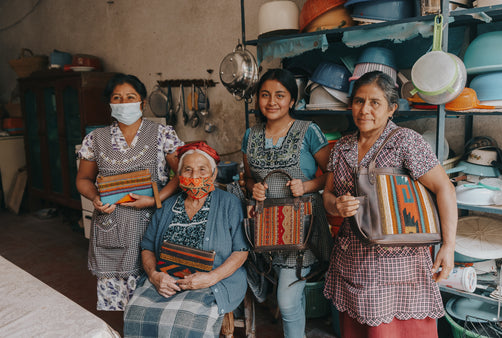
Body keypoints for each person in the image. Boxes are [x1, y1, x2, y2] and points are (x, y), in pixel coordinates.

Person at [322, 71, 457, 338]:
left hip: (398, 266)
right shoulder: (342, 147)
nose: (365, 110)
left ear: (392, 108)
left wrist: (449, 246)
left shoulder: (405, 141)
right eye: (359, 101)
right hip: (352, 262)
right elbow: (326, 195)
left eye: (375, 102)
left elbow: (445, 188)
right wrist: (336, 206)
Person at [76, 73, 184, 311]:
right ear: (110, 104)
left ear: (142, 103)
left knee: (157, 299)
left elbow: (181, 175)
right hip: (113, 226)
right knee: (124, 305)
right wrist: (95, 197)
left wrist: (155, 198)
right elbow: (83, 179)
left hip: (153, 222)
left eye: (130, 97)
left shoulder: (163, 134)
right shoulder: (95, 139)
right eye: (117, 98)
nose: (124, 103)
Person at [123, 141, 249, 337]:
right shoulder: (167, 205)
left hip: (212, 281)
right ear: (179, 175)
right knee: (137, 313)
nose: (194, 176)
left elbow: (241, 251)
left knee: (187, 323)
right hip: (168, 278)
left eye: (202, 170)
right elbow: (147, 247)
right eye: (188, 170)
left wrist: (211, 277)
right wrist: (155, 276)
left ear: (214, 174)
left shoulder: (229, 203)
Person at [242, 68, 333, 338]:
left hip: (301, 225)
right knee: (292, 293)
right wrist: (253, 187)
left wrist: (307, 185)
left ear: (292, 100)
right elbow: (246, 178)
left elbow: (332, 173)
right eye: (265, 95)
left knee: (287, 299)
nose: (272, 101)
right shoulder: (251, 135)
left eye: (280, 95)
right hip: (268, 227)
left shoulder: (308, 131)